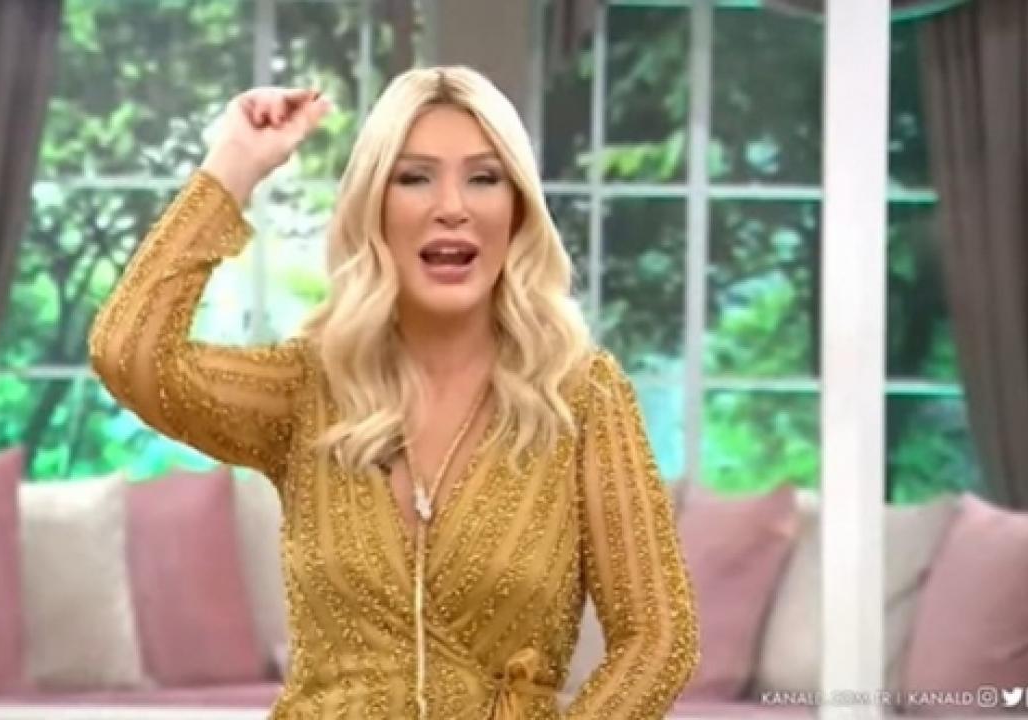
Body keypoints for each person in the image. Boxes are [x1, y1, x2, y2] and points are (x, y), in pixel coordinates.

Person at [90, 66, 699, 720]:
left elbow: (658, 639)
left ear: (518, 209)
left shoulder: (581, 396)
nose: (452, 206)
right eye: (414, 178)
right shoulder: (307, 389)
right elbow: (129, 352)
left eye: (484, 178)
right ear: (374, 207)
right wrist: (234, 163)